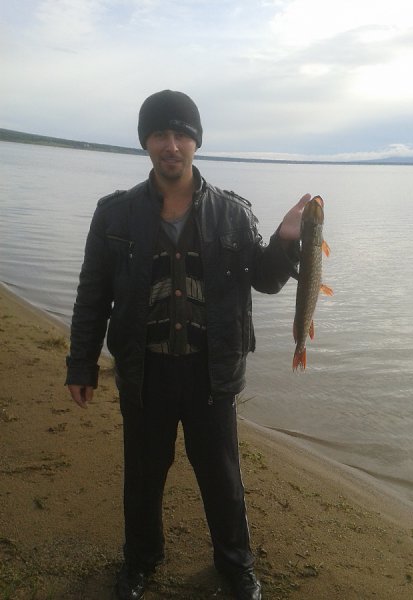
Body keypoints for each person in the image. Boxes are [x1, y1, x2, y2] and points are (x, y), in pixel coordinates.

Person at [66, 89, 310, 600]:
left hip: (211, 373)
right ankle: (140, 561)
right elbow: (93, 294)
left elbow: (265, 281)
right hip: (144, 371)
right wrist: (81, 364)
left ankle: (236, 566)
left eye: (181, 134)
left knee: (222, 479)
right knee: (143, 476)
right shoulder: (114, 215)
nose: (171, 145)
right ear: (146, 142)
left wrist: (287, 241)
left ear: (196, 142)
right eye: (160, 134)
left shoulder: (233, 214)